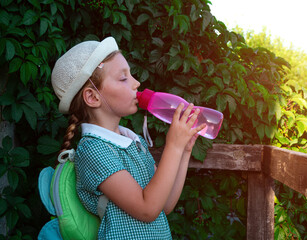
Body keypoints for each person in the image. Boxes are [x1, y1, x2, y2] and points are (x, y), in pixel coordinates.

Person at [51, 36, 206, 239]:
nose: (136, 83)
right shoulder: (93, 150)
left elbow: (164, 206)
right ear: (93, 97)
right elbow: (147, 209)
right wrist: (173, 147)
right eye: (123, 78)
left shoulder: (135, 143)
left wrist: (184, 151)